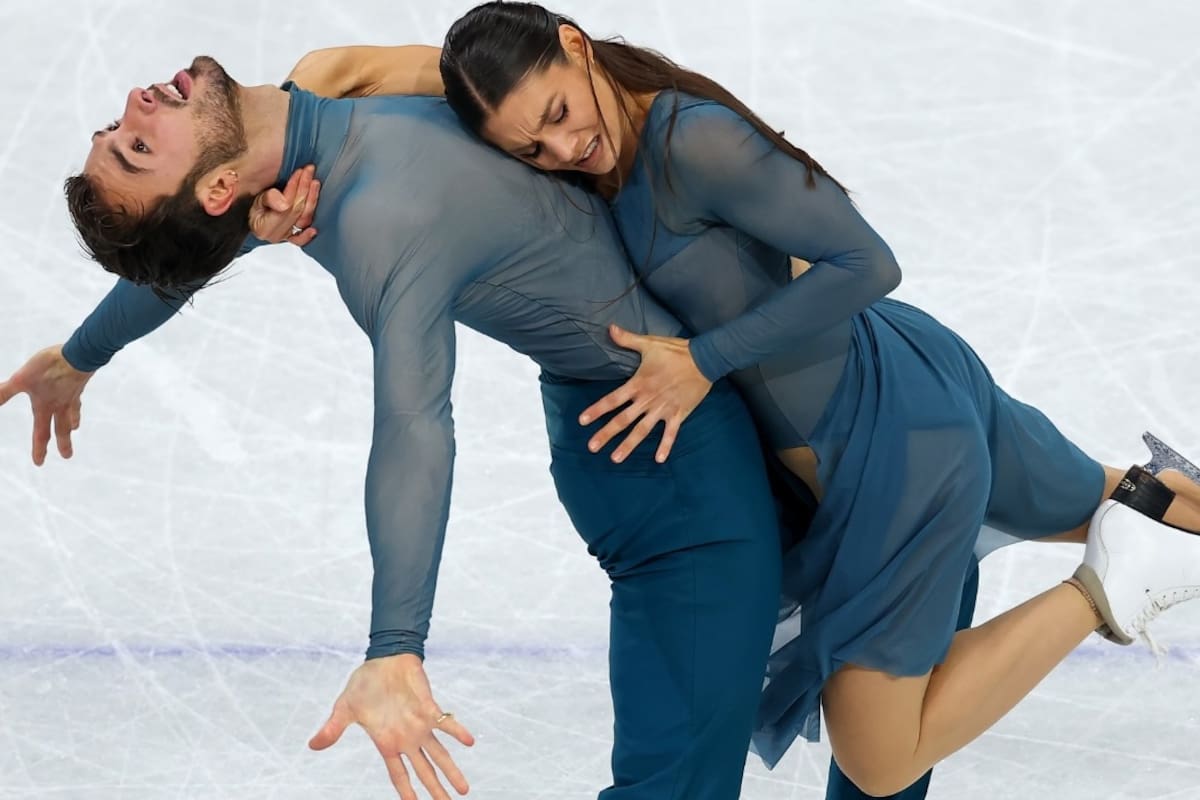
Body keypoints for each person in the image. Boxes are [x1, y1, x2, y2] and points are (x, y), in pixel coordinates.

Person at [280, 4, 1200, 796]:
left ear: (576, 43)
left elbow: (870, 262)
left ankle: (1107, 589)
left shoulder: (695, 140)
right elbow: (336, 76)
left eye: (559, 114)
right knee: (1134, 493)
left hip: (890, 444)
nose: (563, 149)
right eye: (531, 146)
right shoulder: (557, 111)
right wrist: (287, 187)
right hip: (899, 386)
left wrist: (704, 360)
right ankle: (1155, 523)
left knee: (880, 758)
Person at [0, 54, 789, 800]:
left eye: (120, 132)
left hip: (706, 392)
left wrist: (81, 354)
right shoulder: (381, 217)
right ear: (219, 187)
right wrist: (395, 645)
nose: (135, 104)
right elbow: (413, 423)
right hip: (664, 447)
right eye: (136, 147)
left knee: (887, 666)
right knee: (683, 780)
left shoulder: (301, 136)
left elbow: (192, 241)